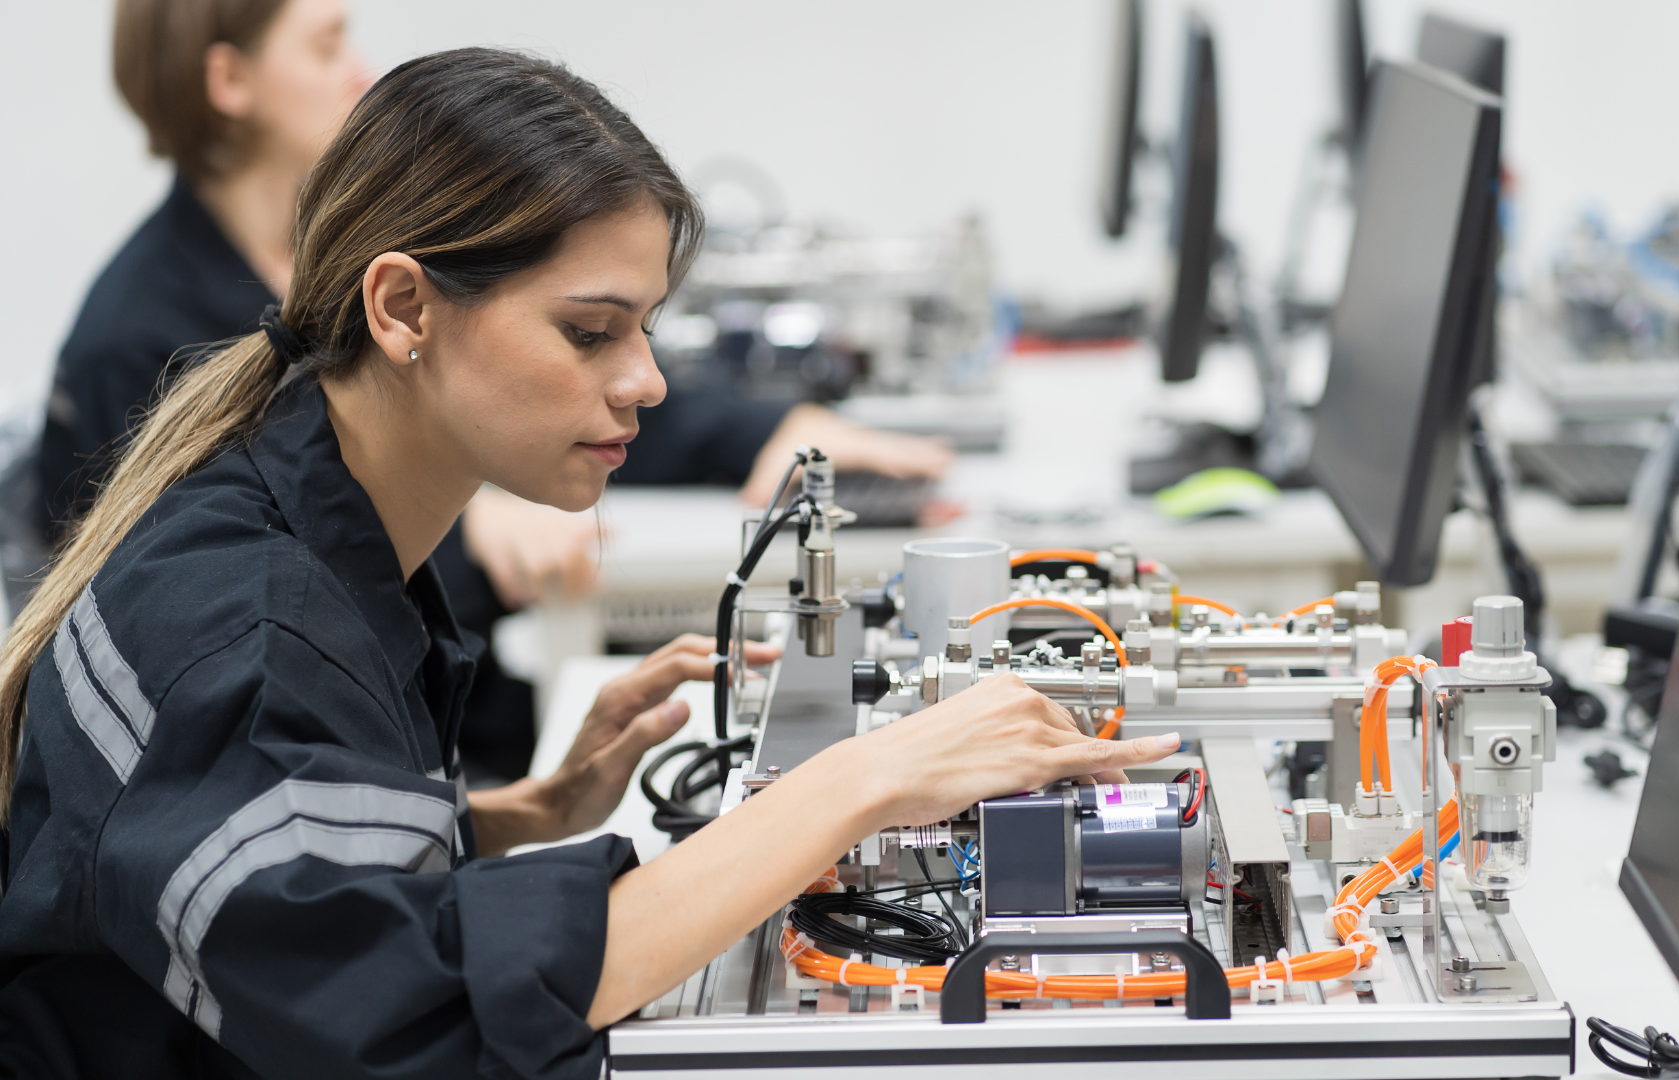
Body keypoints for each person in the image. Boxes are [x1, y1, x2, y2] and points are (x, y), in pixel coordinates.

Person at [0, 47, 1173, 1080]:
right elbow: (419, 1016)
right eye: (590, 331)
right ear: (404, 307)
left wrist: (517, 816)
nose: (647, 380)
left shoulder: (306, 514)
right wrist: (860, 783)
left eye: (646, 327)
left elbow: (291, 893)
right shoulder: (249, 630)